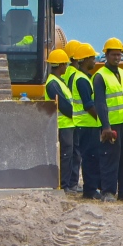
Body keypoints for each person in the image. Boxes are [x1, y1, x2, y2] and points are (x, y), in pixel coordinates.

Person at [95, 38, 123, 201]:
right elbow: (100, 102)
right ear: (106, 55)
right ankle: (108, 192)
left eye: (119, 55)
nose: (117, 58)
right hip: (110, 125)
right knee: (109, 158)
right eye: (113, 55)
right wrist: (106, 126)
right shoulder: (100, 77)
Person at [64, 41, 103, 199]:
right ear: (84, 60)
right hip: (86, 124)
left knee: (90, 158)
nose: (94, 61)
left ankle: (91, 188)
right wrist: (102, 121)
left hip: (86, 124)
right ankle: (90, 191)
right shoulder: (82, 80)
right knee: (90, 159)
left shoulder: (84, 78)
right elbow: (89, 105)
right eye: (92, 58)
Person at [44, 49, 79, 195]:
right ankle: (63, 185)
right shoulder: (53, 84)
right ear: (60, 65)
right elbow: (63, 105)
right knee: (65, 155)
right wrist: (76, 115)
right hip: (63, 124)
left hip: (68, 124)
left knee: (69, 155)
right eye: (65, 64)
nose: (66, 67)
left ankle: (68, 184)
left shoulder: (58, 81)